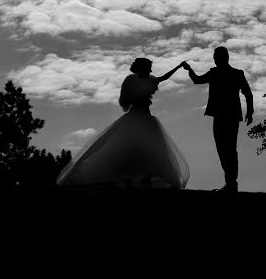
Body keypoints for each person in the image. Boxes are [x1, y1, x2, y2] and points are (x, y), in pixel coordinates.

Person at [56, 58, 189, 189]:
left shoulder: (149, 80)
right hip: (136, 117)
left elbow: (163, 78)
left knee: (151, 151)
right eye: (148, 68)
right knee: (126, 150)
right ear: (142, 68)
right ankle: (129, 179)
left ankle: (144, 178)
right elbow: (126, 101)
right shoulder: (132, 81)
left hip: (146, 117)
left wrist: (177, 68)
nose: (150, 70)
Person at [181, 47, 254, 193]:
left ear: (224, 57)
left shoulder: (229, 73)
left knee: (228, 150)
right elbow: (197, 80)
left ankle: (231, 184)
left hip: (226, 116)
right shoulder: (226, 73)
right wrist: (189, 70)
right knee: (225, 150)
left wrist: (250, 112)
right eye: (214, 57)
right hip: (226, 116)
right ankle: (231, 183)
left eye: (216, 57)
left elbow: (247, 92)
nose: (215, 59)